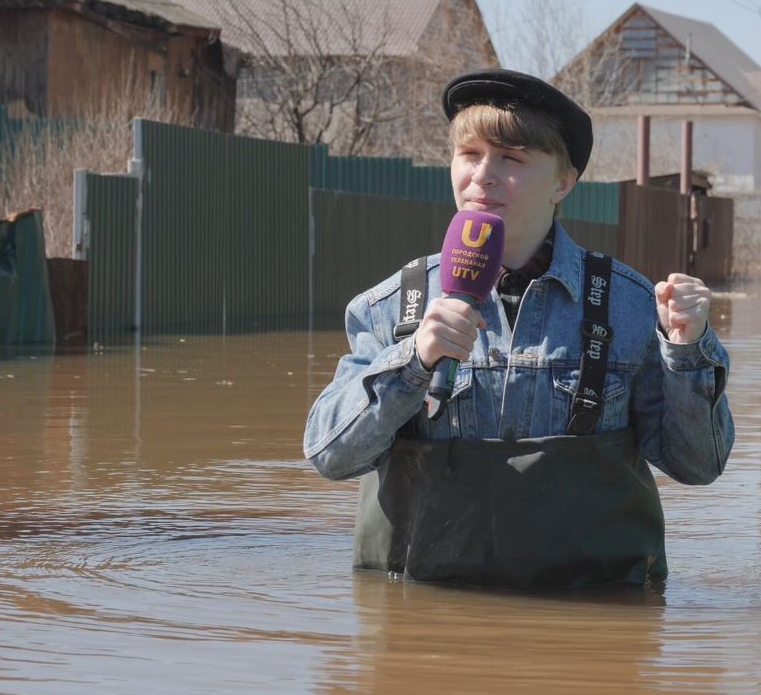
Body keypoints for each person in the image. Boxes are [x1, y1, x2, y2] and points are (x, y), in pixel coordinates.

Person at [303, 69, 734, 589]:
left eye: (511, 159)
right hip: (424, 633)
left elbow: (699, 466)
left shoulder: (632, 306)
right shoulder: (394, 306)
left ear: (563, 182)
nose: (482, 176)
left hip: (587, 626)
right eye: (470, 155)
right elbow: (329, 456)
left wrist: (688, 351)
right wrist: (412, 363)